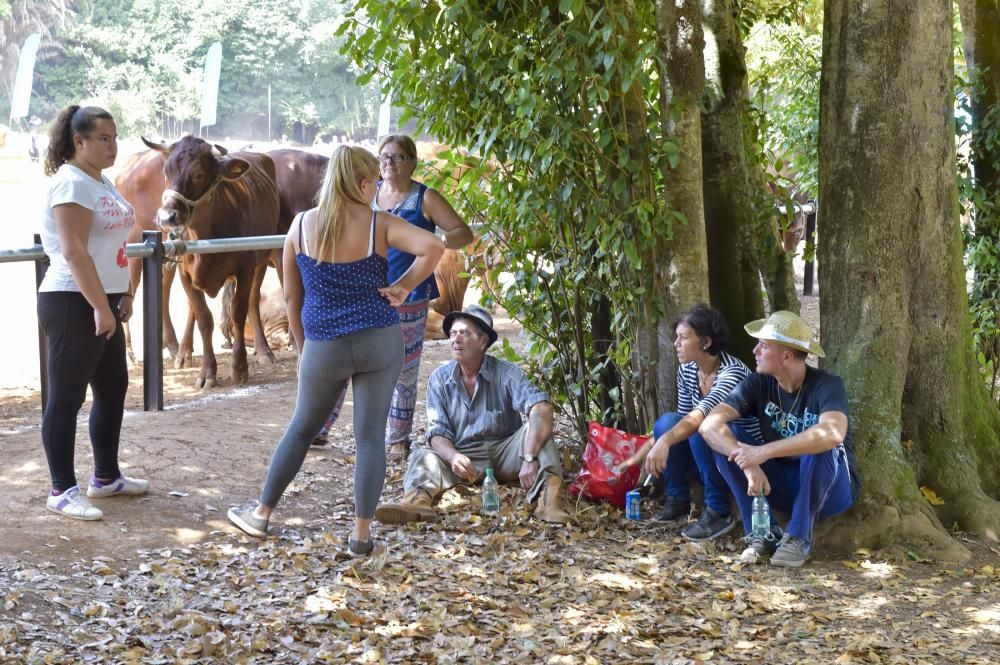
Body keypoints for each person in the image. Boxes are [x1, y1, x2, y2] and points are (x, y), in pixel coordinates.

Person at [227, 146, 445, 557]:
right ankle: (361, 536)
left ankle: (261, 513)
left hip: (324, 343)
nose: (378, 186)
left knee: (301, 429)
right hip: (380, 338)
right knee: (369, 439)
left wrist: (302, 347)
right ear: (361, 183)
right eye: (374, 181)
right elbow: (433, 247)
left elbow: (293, 297)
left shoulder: (302, 225)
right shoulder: (378, 223)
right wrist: (402, 287)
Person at [312, 135, 474, 460]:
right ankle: (319, 426)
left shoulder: (425, 198)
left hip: (410, 294)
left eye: (398, 157)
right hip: (367, 289)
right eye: (384, 157)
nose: (389, 163)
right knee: (348, 356)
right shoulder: (369, 194)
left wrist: (433, 238)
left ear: (412, 162)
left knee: (404, 365)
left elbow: (463, 233)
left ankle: (397, 439)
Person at [38, 105, 148, 521]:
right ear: (78, 141)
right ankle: (61, 489)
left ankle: (105, 477)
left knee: (113, 387)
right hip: (72, 301)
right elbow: (73, 251)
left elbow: (114, 247)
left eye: (115, 137)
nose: (112, 146)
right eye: (103, 138)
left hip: (105, 301)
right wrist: (100, 306)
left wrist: (126, 292)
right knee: (67, 397)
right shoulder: (71, 184)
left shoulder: (100, 181)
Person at [373, 305, 572, 525]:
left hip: (505, 452)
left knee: (538, 433)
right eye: (452, 334)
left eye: (464, 333)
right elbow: (437, 432)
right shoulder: (439, 379)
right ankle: (417, 503)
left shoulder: (506, 373)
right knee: (422, 454)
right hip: (465, 456)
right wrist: (452, 456)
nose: (455, 339)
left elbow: (541, 407)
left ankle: (549, 503)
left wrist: (530, 457)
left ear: (483, 342)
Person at [700, 311, 860, 567]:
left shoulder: (827, 385)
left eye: (763, 345)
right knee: (726, 438)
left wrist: (763, 452)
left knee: (819, 444)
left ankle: (798, 537)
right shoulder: (758, 383)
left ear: (786, 355)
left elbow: (833, 432)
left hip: (830, 489)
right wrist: (750, 464)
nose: (754, 351)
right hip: (776, 485)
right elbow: (709, 424)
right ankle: (763, 533)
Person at [615, 304, 760, 541]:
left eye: (683, 338)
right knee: (667, 422)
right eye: (677, 337)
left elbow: (700, 417)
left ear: (706, 342)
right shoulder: (688, 369)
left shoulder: (731, 373)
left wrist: (664, 442)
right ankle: (677, 497)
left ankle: (718, 510)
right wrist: (640, 454)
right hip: (704, 451)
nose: (676, 344)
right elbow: (681, 419)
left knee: (699, 428)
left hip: (736, 453)